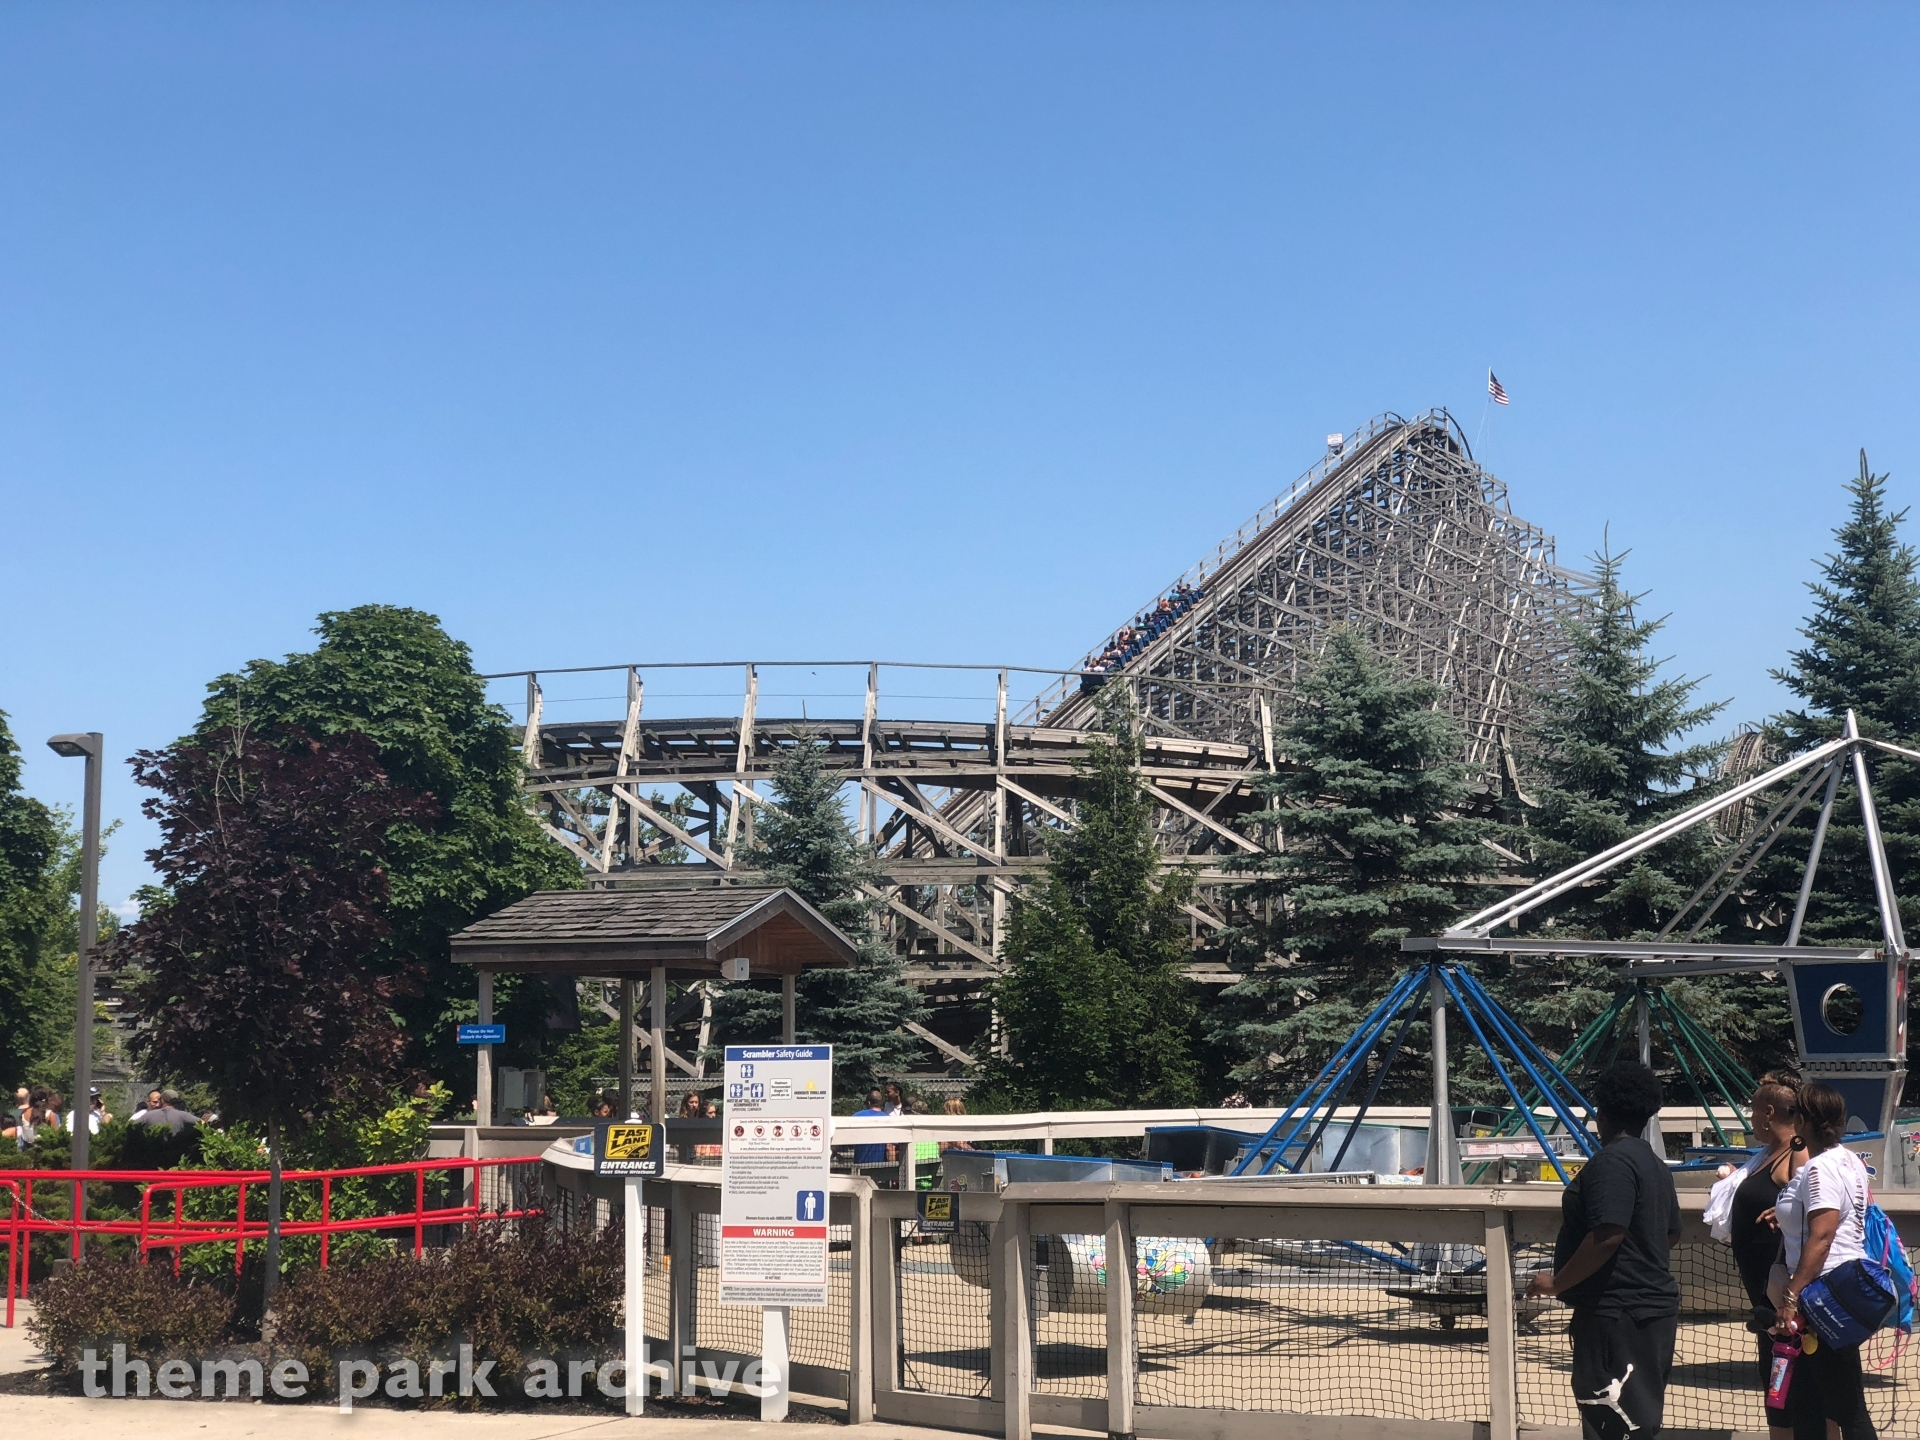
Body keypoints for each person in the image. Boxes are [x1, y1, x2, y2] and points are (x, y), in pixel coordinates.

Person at [1527, 1062, 1680, 1440]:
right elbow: (1671, 1234)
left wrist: (1557, 1283)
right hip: (1653, 1314)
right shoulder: (1656, 1165)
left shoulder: (1612, 1162)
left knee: (1611, 1425)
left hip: (1616, 1316)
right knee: (1639, 1423)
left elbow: (1608, 1234)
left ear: (1602, 1112)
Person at [1773, 1081, 1881, 1440]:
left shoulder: (1820, 1168)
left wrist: (1791, 1295)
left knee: (1845, 1406)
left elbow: (1822, 1235)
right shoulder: (1851, 1161)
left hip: (1823, 1295)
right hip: (1845, 1288)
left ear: (1804, 1121)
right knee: (1811, 1400)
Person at [1715, 1075, 1806, 1440]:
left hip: (1782, 1288)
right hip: (1763, 1290)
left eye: (1752, 1111)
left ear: (1769, 1112)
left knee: (1786, 1369)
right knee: (1772, 1367)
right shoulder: (1769, 1153)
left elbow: (1813, 1204)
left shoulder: (1797, 1150)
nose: (1749, 1119)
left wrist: (1785, 1211)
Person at [851, 1088, 893, 1169]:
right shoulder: (889, 1119)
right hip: (880, 1167)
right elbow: (890, 1147)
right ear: (880, 1103)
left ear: (868, 1103)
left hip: (859, 1167)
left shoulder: (857, 1116)